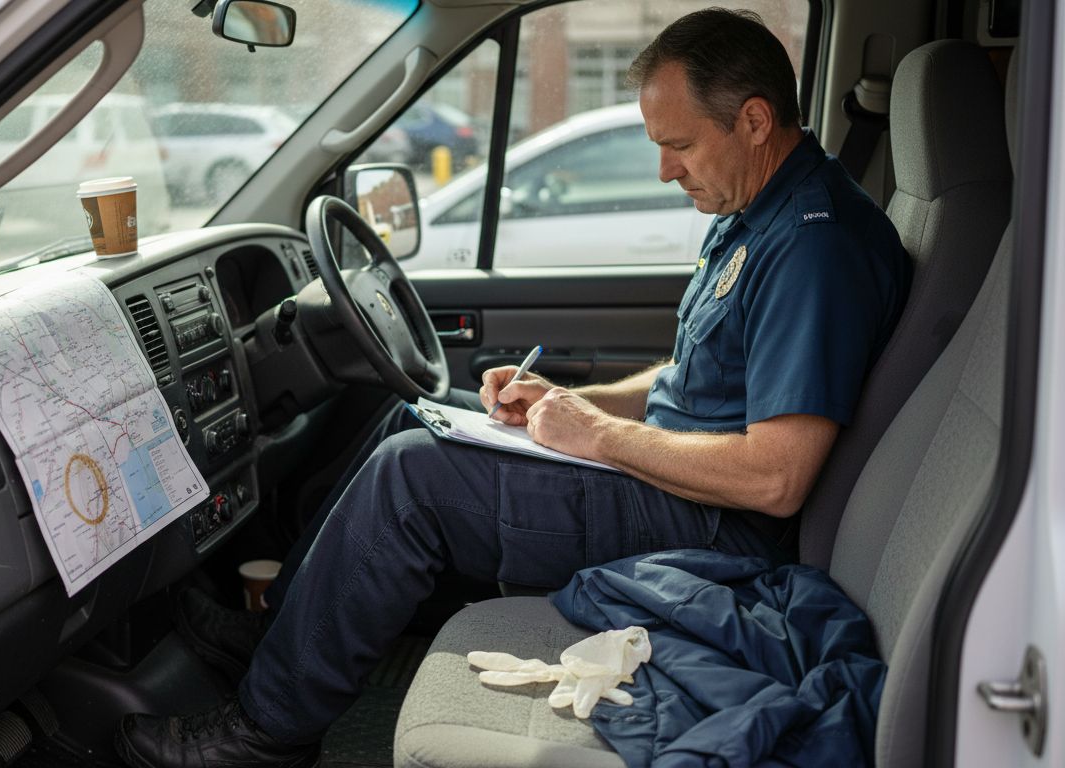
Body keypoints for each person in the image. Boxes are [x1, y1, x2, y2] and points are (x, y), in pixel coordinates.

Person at [113, 8, 911, 768]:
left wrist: (597, 437)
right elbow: (690, 378)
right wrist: (570, 402)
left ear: (755, 121)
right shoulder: (755, 209)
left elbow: (775, 477)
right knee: (409, 417)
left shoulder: (815, 249)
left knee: (412, 475)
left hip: (713, 529)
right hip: (672, 474)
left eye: (679, 146)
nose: (665, 170)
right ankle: (282, 636)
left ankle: (267, 735)